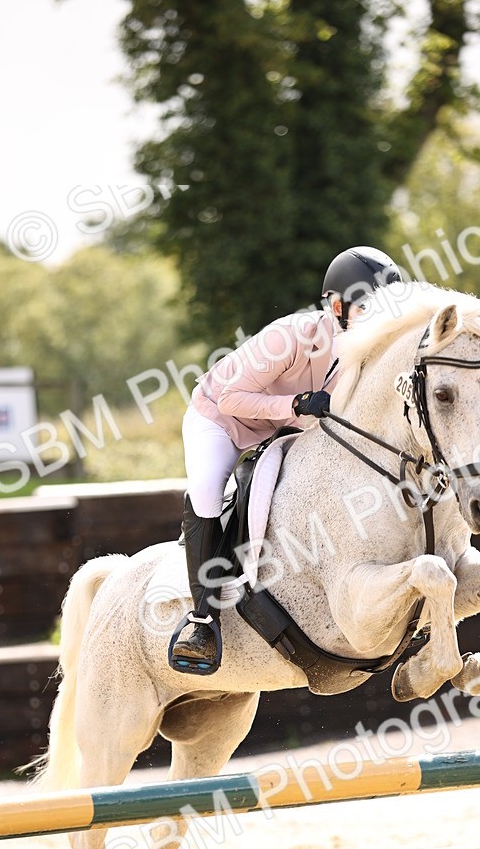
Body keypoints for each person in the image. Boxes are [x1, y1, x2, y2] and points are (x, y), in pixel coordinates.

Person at [169, 245, 403, 675]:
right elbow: (230, 396)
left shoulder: (367, 354)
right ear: (337, 306)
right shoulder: (291, 335)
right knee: (206, 492)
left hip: (284, 428)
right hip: (220, 420)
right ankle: (201, 622)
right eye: (372, 308)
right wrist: (296, 404)